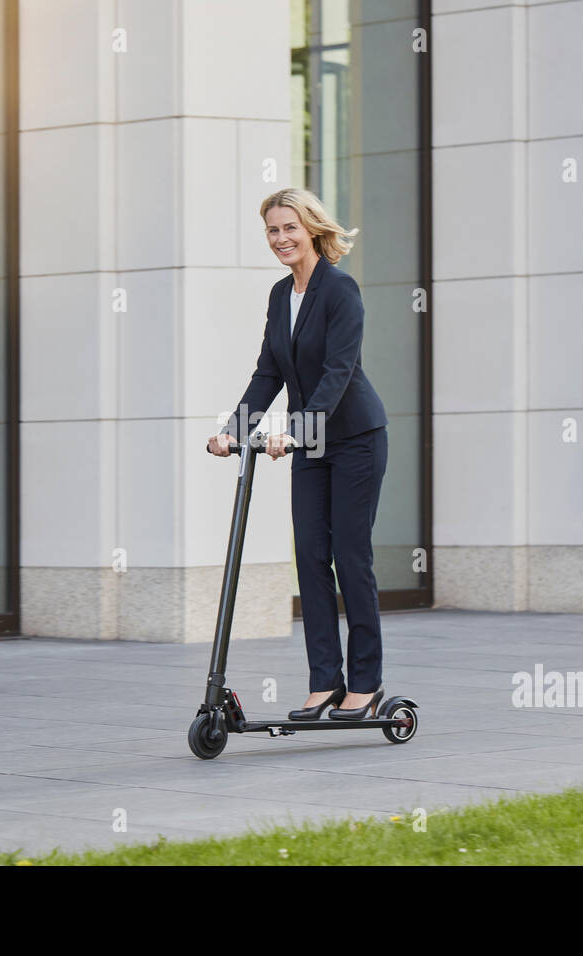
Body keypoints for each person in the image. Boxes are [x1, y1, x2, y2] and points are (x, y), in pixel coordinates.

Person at [206, 188, 389, 721]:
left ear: (312, 228)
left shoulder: (340, 290)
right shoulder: (279, 295)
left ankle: (367, 683)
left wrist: (295, 430)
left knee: (351, 557)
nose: (281, 239)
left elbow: (339, 371)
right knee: (309, 556)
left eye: (289, 228)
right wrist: (234, 430)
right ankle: (325, 682)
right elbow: (268, 372)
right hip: (310, 443)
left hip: (355, 438)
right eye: (272, 231)